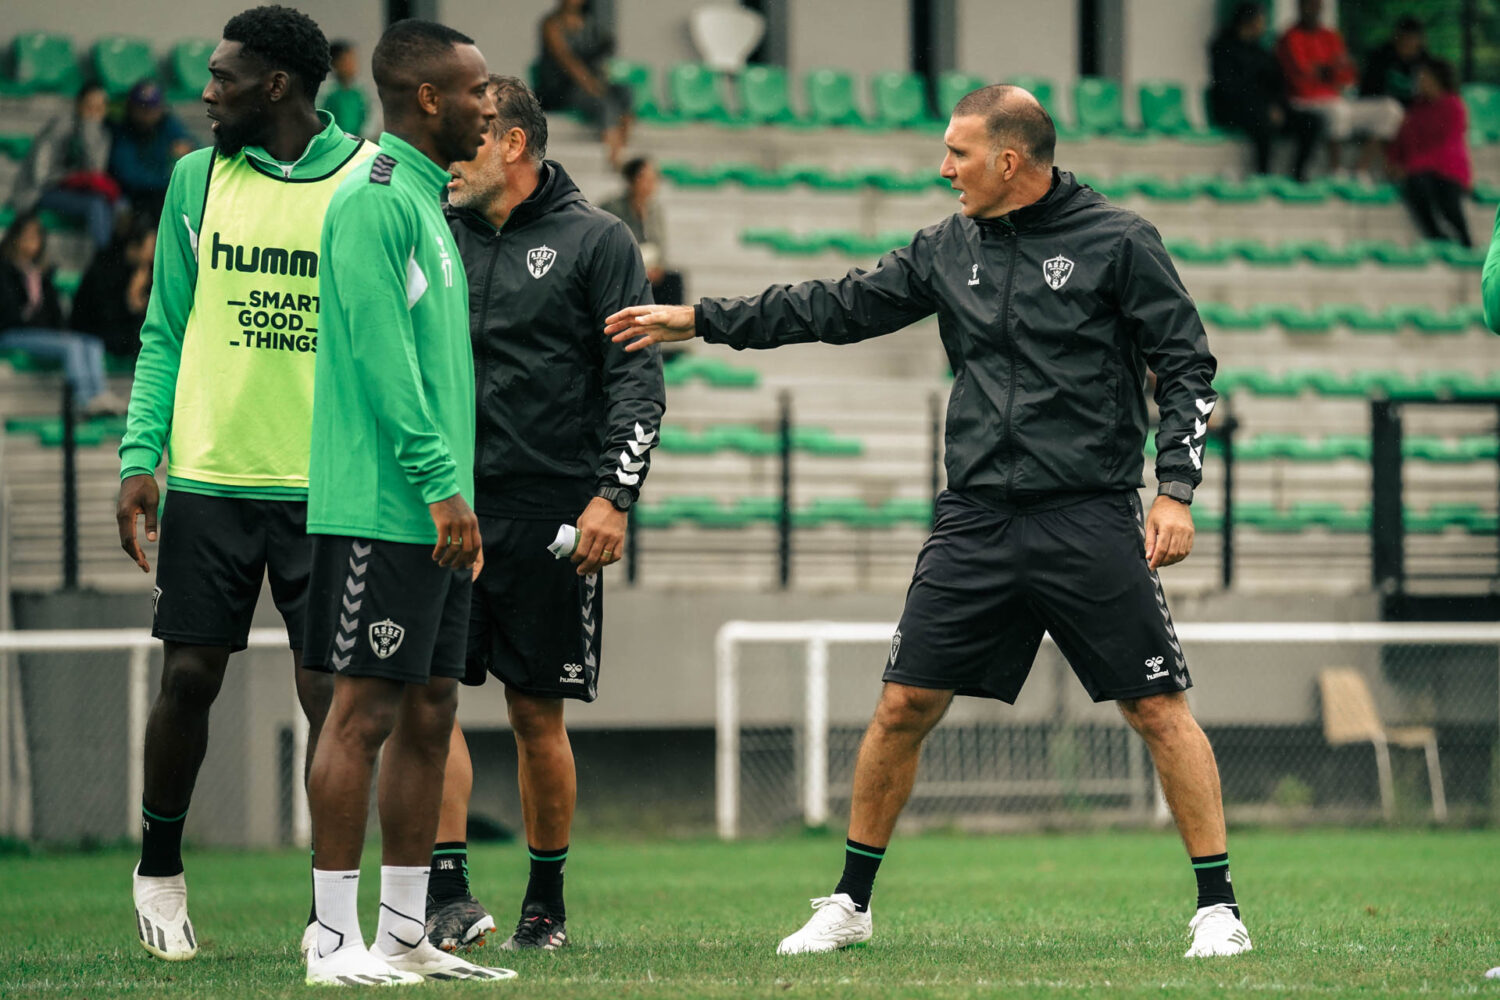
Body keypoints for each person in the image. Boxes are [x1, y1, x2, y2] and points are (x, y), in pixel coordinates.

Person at [607, 85, 1253, 960]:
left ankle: (1218, 909)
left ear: (1010, 161)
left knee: (1157, 706)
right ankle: (850, 902)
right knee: (903, 703)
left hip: (1089, 515)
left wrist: (1174, 488)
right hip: (977, 519)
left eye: (958, 152)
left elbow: (1187, 366)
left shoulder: (1120, 241)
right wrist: (703, 320)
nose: (943, 168)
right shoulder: (945, 248)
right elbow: (834, 306)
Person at [116, 5, 377, 963]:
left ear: (277, 85)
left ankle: (329, 913)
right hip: (215, 479)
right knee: (189, 676)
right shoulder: (194, 180)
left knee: (329, 699)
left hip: (329, 486)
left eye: (223, 76)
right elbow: (164, 332)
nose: (205, 91)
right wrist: (141, 456)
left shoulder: (365, 180)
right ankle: (160, 870)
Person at [428, 74, 665, 954]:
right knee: (428, 702)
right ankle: (446, 893)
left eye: (472, 137)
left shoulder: (599, 240)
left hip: (546, 514)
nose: (454, 152)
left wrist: (613, 495)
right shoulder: (434, 230)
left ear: (515, 144)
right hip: (443, 508)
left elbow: (638, 380)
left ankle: (544, 904)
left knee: (537, 715)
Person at [300, 19, 512, 986]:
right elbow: (386, 365)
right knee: (361, 714)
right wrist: (438, 486)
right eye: (475, 91)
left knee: (431, 709)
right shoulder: (376, 201)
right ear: (427, 98)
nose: (489, 104)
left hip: (437, 512)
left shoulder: (433, 200)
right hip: (386, 508)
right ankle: (332, 940)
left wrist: (454, 496)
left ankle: (402, 933)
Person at [0, 211, 123, 413]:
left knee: (92, 343)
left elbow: (54, 312)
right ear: (15, 237)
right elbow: (11, 312)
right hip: (11, 333)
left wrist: (42, 281)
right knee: (72, 346)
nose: (33, 242)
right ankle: (84, 400)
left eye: (37, 236)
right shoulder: (5, 270)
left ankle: (100, 394)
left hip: (39, 333)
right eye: (28, 236)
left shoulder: (41, 272)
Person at [1276, 0, 1402, 177]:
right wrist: (1331, 70)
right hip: (1304, 102)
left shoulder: (1330, 36)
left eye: (1316, 5)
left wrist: (1326, 71)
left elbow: (1348, 74)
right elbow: (1301, 75)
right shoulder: (1290, 37)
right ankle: (1337, 172)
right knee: (1338, 111)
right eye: (1308, 5)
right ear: (1299, 7)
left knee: (1390, 109)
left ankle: (1360, 171)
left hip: (1337, 98)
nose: (1313, 9)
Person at [1208, 2, 1322, 182]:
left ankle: (1298, 174)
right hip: (1234, 110)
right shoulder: (1223, 48)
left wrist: (1277, 107)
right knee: (1263, 119)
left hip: (1267, 109)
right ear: (1249, 22)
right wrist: (1264, 106)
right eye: (1261, 21)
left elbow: (1277, 85)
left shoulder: (1262, 52)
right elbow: (1230, 88)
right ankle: (1263, 174)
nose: (1263, 26)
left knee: (1311, 121)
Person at [7, 80, 118, 248]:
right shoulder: (60, 126)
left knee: (120, 205)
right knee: (95, 205)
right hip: (39, 191)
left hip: (73, 190)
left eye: (100, 107)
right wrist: (69, 178)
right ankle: (104, 258)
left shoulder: (102, 134)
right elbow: (41, 175)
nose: (95, 112)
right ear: (79, 105)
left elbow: (95, 171)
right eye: (90, 106)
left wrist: (89, 129)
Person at [535, 0, 634, 168]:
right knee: (604, 104)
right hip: (562, 87)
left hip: (589, 82)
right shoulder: (551, 24)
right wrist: (590, 84)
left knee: (624, 93)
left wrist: (600, 80)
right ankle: (613, 155)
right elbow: (566, 60)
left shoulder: (590, 23)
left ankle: (623, 147)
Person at [1388, 60, 1472, 247]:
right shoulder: (1417, 109)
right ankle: (1436, 236)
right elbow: (1403, 139)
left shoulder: (1454, 106)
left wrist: (1410, 166)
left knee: (1449, 202)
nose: (1420, 81)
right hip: (1421, 169)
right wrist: (1394, 161)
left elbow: (1446, 145)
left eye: (1424, 77)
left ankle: (1466, 241)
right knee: (1417, 186)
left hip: (1448, 168)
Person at [601, 156, 684, 306]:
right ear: (633, 180)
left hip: (650, 268)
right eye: (647, 179)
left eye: (654, 180)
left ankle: (671, 326)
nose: (652, 185)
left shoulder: (655, 210)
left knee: (674, 279)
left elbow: (660, 245)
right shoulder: (612, 207)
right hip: (623, 269)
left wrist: (658, 267)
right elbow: (611, 246)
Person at [70, 216, 155, 362]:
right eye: (152, 246)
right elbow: (104, 316)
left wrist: (136, 301)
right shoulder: (106, 267)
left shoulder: (146, 271)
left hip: (119, 332)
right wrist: (131, 297)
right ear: (134, 246)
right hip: (93, 330)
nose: (156, 253)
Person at [108, 79, 194, 219]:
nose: (148, 113)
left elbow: (191, 145)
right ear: (131, 108)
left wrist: (188, 149)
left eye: (152, 107)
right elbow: (129, 176)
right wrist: (169, 179)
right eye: (142, 107)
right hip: (132, 197)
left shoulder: (167, 124)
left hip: (160, 192)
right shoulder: (123, 132)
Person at [1359, 15, 1430, 108]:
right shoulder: (1380, 58)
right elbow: (1368, 92)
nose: (1406, 42)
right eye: (1403, 37)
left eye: (1411, 38)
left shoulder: (1427, 64)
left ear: (1420, 41)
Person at [320, 40, 369, 136]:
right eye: (347, 60)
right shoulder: (328, 94)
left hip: (357, 143)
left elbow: (367, 119)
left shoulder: (359, 93)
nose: (353, 65)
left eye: (354, 60)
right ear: (334, 63)